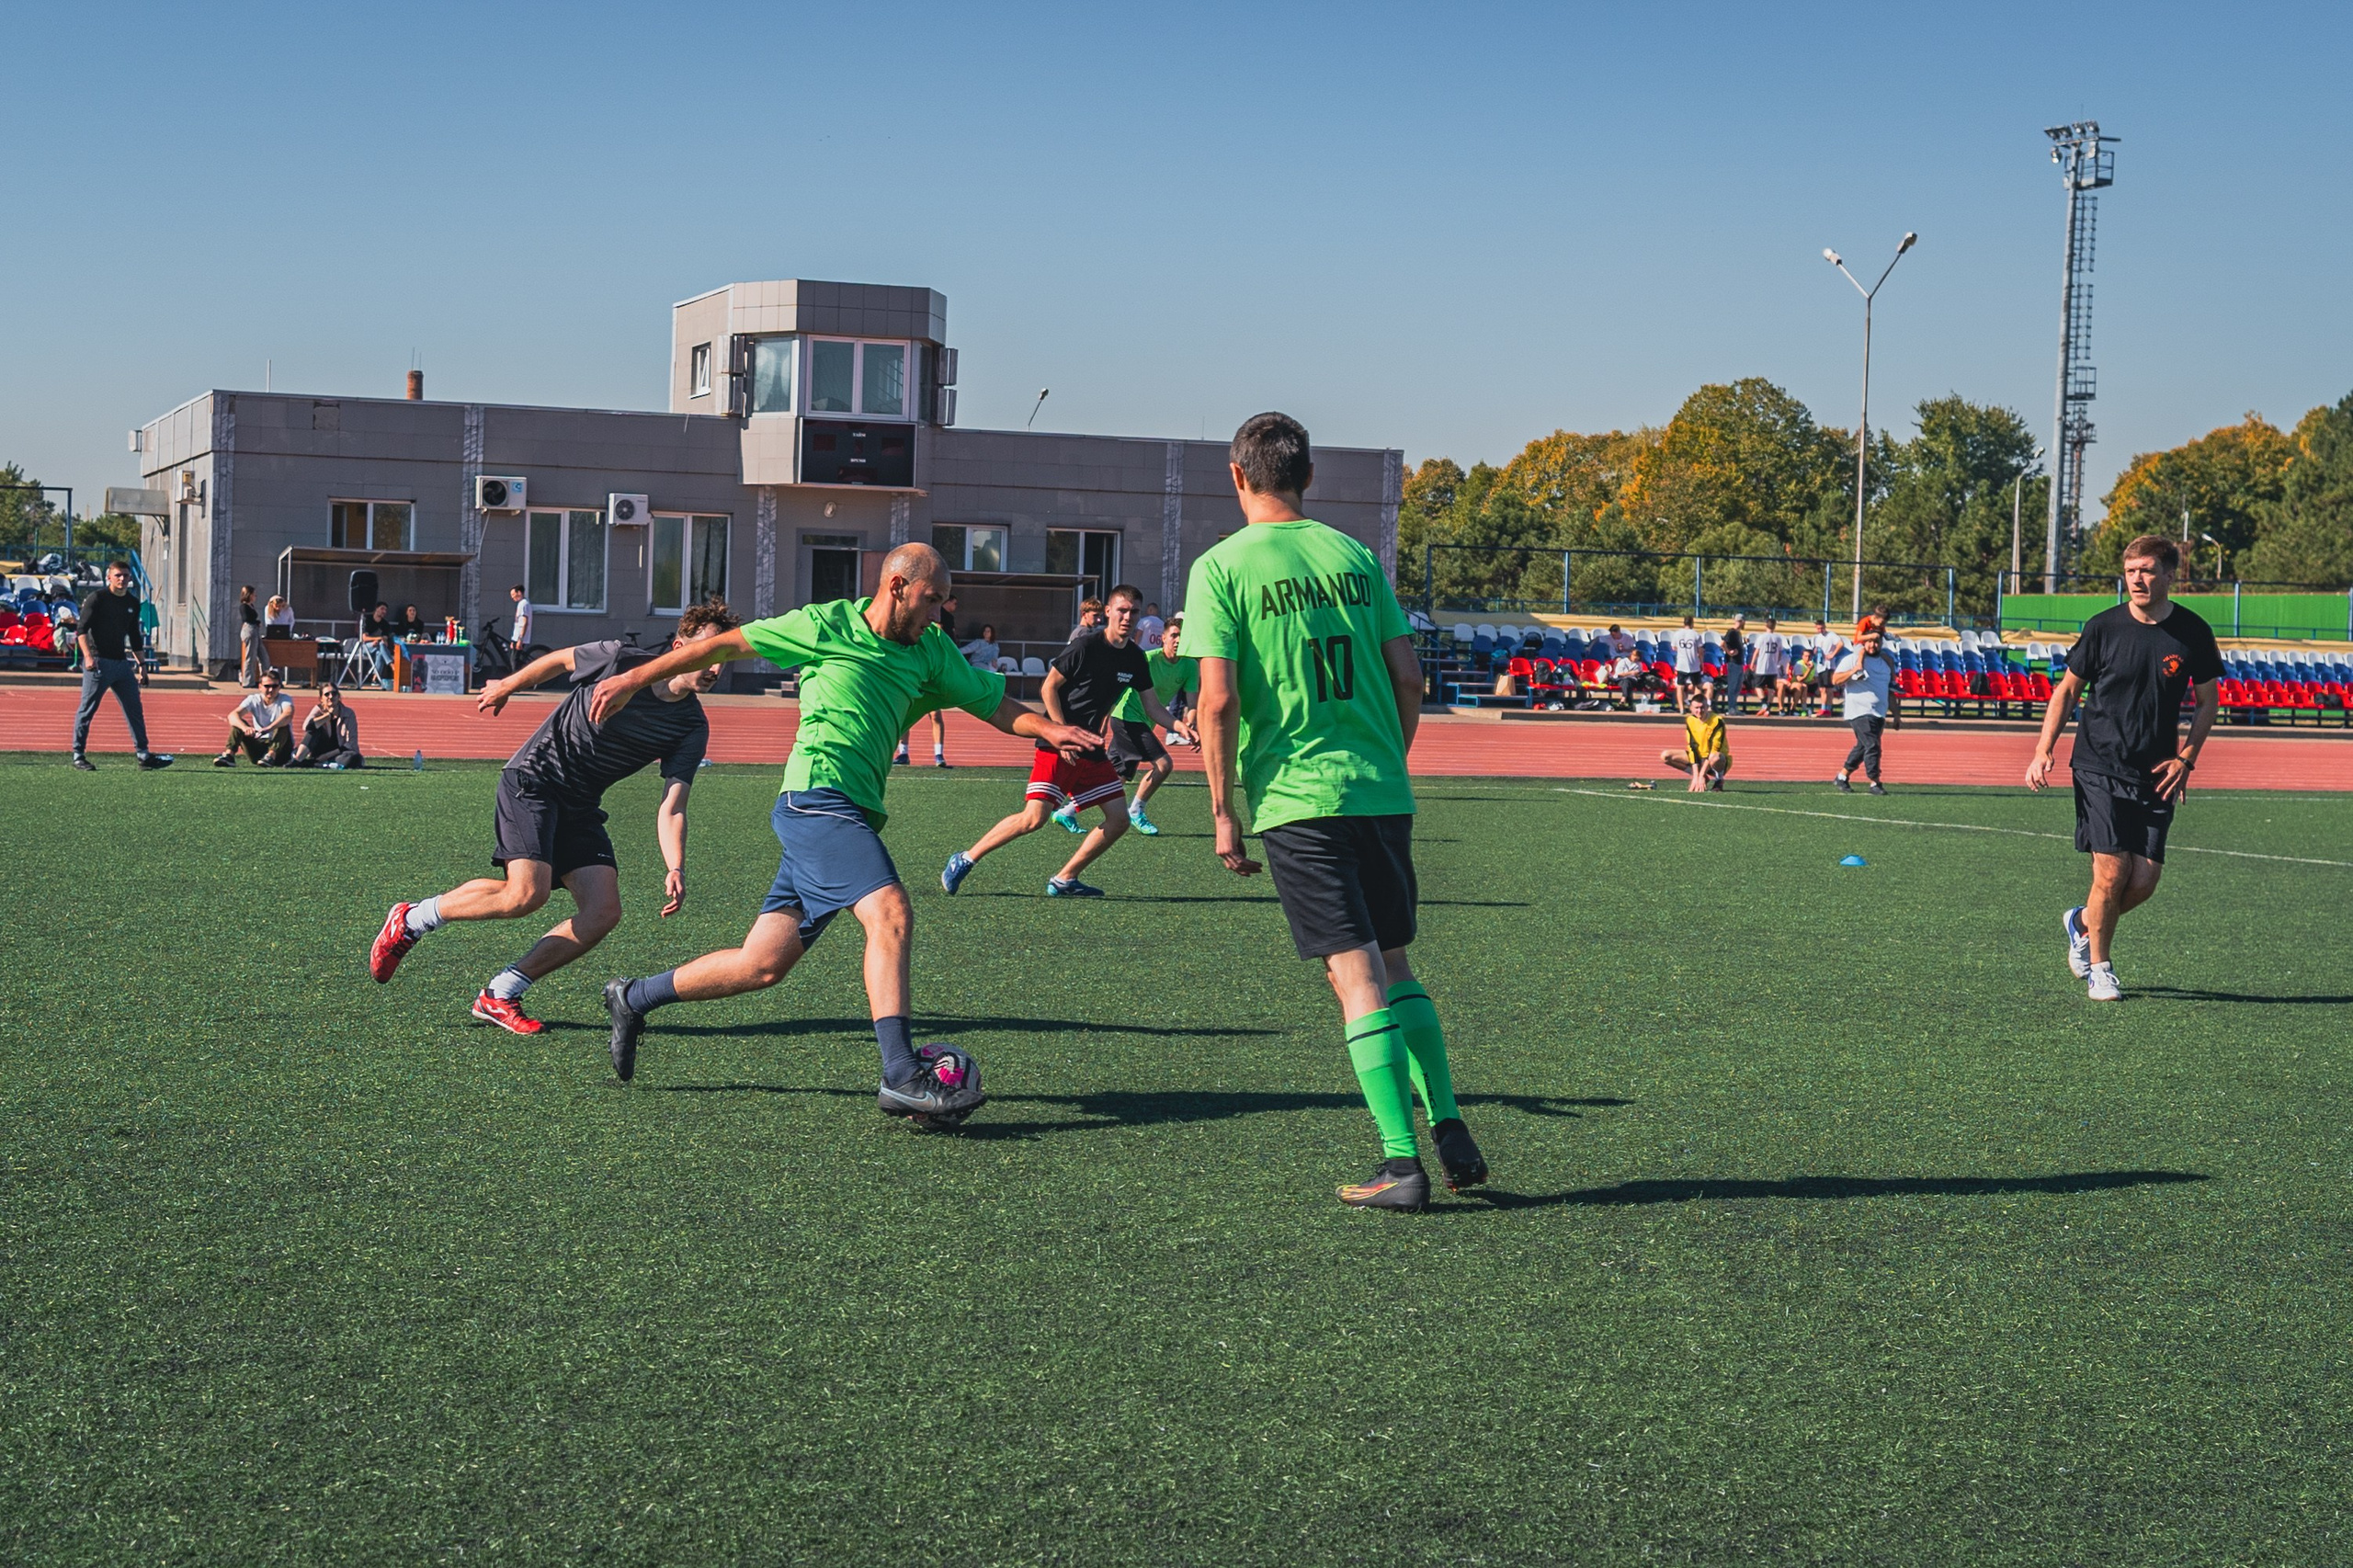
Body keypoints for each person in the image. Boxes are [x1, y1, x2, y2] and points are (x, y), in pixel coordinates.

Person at [592, 545, 1100, 1119]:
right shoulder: (823, 623)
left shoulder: (930, 650)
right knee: (891, 912)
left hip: (849, 813)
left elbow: (993, 704)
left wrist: (1050, 729)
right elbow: (724, 645)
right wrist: (634, 678)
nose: (938, 614)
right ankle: (901, 1074)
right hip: (814, 799)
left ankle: (633, 996)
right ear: (897, 586)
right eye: (931, 600)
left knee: (762, 964)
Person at [1189, 411, 1485, 1212]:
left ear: (1237, 475)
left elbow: (1215, 701)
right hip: (1380, 789)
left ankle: (1401, 1162)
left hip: (1298, 798)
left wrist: (1221, 809)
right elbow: (1411, 679)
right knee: (1395, 966)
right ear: (1308, 478)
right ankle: (1449, 1123)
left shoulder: (1222, 566)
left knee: (1352, 979)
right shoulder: (1355, 556)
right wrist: (1389, 758)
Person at [369, 601, 742, 1034]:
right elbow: (560, 659)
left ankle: (500, 993)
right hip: (534, 780)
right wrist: (509, 684)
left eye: (723, 659)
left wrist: (675, 865)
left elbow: (672, 805)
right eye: (708, 654)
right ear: (680, 647)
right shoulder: (621, 659)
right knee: (525, 895)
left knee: (603, 911)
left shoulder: (691, 726)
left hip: (580, 804)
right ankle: (413, 919)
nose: (715, 668)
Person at [2028, 536, 2222, 1003]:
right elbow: (2067, 692)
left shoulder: (2193, 631)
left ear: (2171, 574)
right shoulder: (2103, 628)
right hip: (2099, 765)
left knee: (2143, 881)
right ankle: (2101, 969)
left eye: (2148, 569)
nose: (2137, 578)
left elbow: (2208, 701)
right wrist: (2043, 749)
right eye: (2131, 569)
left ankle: (2080, 922)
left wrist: (2186, 759)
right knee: (2111, 874)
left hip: (2157, 772)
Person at [944, 584, 1182, 895]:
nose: (1127, 617)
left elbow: (1151, 706)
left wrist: (1179, 724)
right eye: (1122, 610)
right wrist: (1059, 734)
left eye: (1133, 612)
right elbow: (1048, 687)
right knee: (1034, 819)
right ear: (1108, 611)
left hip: (1090, 748)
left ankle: (1065, 878)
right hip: (1057, 742)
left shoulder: (1136, 659)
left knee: (1119, 820)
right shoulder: (1086, 646)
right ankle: (964, 859)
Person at [72, 562, 171, 770]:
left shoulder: (132, 603)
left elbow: (134, 636)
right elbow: (81, 630)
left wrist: (142, 664)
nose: (122, 579)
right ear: (109, 577)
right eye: (118, 575)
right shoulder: (97, 599)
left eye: (126, 576)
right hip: (99, 663)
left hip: (121, 664)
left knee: (134, 708)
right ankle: (78, 754)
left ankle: (143, 755)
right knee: (87, 709)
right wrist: (88, 657)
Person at [1831, 623, 1896, 794]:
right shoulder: (1853, 659)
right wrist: (1854, 671)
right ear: (1864, 642)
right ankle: (1875, 782)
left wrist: (1896, 715)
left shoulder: (1885, 663)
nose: (1873, 645)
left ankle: (1842, 776)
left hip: (1878, 713)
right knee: (1873, 745)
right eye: (1870, 641)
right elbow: (1835, 680)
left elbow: (1889, 691)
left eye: (1877, 641)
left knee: (1863, 746)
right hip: (1859, 711)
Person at [898, 594, 961, 767]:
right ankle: (903, 753)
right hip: (915, 668)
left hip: (931, 670)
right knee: (904, 712)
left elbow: (944, 637)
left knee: (935, 715)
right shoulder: (914, 617)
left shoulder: (942, 620)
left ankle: (939, 754)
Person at [216, 674, 295, 767]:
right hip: (259, 745)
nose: (271, 690)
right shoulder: (253, 699)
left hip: (281, 749)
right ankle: (229, 755)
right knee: (238, 724)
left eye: (275, 686)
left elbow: (288, 715)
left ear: (279, 687)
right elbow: (233, 715)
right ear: (260, 687)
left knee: (282, 725)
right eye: (267, 686)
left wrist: (269, 728)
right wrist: (245, 728)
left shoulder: (285, 699)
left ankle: (270, 756)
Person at [1660, 690, 1730, 790]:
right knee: (1665, 755)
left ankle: (1719, 780)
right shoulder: (1690, 720)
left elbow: (1714, 749)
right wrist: (1696, 776)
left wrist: (1701, 774)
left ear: (1707, 707)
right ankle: (1703, 778)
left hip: (1714, 760)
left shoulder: (1717, 721)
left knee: (1717, 756)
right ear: (1691, 708)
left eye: (1702, 707)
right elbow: (1692, 747)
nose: (1700, 711)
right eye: (1696, 708)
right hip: (1700, 757)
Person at [290, 683, 363, 768]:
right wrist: (328, 716)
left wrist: (326, 756)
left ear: (338, 696)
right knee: (313, 729)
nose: (331, 696)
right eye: (327, 694)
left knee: (354, 758)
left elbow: (351, 743)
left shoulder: (348, 713)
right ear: (321, 698)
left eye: (334, 693)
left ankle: (314, 763)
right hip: (320, 750)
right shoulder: (318, 710)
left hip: (338, 753)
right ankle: (299, 760)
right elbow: (307, 727)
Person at [1749, 617, 1789, 715]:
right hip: (1773, 668)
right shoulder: (1778, 638)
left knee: (1758, 686)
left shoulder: (1761, 637)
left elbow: (1756, 652)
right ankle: (1768, 708)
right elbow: (1779, 653)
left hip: (1762, 667)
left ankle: (1764, 704)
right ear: (1775, 626)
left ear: (1765, 625)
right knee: (1771, 689)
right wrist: (1776, 661)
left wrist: (1752, 663)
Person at [1808, 619, 1844, 715]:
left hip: (1828, 666)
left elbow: (1840, 644)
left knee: (1827, 689)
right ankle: (1825, 708)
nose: (1820, 630)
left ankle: (1826, 708)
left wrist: (1833, 654)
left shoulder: (1831, 635)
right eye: (1818, 628)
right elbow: (1816, 650)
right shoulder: (1816, 638)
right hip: (1820, 666)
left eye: (1822, 628)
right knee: (1822, 689)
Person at [1667, 614, 1705, 705]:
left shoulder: (1677, 633)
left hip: (1681, 664)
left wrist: (1682, 650)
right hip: (1694, 664)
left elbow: (1673, 647)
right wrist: (1701, 662)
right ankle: (1696, 705)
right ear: (1692, 623)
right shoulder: (1695, 634)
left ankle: (1681, 708)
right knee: (1698, 686)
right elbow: (1700, 651)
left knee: (1680, 686)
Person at [1717, 614, 1748, 712]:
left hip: (1739, 663)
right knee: (1733, 685)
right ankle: (1731, 707)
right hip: (1733, 662)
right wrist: (1728, 651)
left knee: (1738, 686)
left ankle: (1734, 707)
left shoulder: (1738, 634)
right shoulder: (1731, 632)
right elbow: (1722, 643)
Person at [238, 585, 267, 687]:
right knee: (250, 657)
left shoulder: (251, 606)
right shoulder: (244, 606)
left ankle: (265, 679)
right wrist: (255, 621)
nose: (255, 597)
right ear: (249, 595)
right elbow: (247, 618)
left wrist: (257, 622)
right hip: (249, 630)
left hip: (255, 630)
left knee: (264, 657)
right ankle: (248, 681)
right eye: (254, 595)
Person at [359, 601, 395, 682]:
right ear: (376, 609)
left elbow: (385, 639)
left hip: (378, 646)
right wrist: (377, 639)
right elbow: (364, 638)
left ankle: (375, 677)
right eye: (382, 609)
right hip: (365, 647)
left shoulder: (385, 624)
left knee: (380, 652)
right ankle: (392, 665)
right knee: (381, 645)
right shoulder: (367, 620)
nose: (384, 611)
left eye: (385, 610)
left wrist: (382, 641)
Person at [510, 585, 534, 649]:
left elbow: (524, 623)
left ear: (519, 593)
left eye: (513, 594)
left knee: (515, 659)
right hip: (516, 637)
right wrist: (513, 639)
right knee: (514, 658)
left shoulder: (524, 604)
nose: (512, 597)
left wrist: (520, 639)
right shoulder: (521, 604)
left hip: (520, 638)